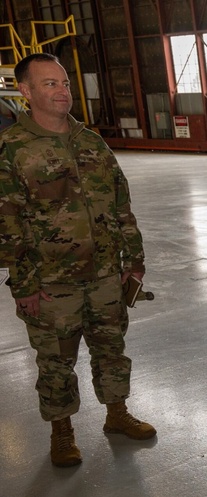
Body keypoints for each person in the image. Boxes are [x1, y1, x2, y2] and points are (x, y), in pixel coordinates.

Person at [0, 53, 155, 468]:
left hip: (105, 273)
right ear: (27, 92)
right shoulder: (13, 149)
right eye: (49, 84)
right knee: (55, 360)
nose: (62, 91)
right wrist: (25, 284)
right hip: (52, 282)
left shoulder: (91, 141)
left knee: (111, 348)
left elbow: (121, 203)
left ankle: (117, 414)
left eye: (65, 83)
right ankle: (62, 432)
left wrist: (133, 259)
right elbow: (7, 223)